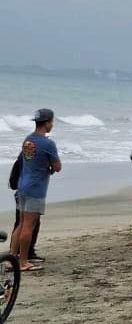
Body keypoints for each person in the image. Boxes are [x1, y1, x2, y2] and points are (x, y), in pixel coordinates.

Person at [11, 109, 62, 271]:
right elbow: (57, 167)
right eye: (51, 121)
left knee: (20, 224)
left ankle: (11, 259)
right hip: (36, 188)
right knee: (29, 226)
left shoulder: (28, 139)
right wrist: (49, 167)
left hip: (22, 185)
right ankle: (23, 262)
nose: (52, 124)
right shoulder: (48, 143)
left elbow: (29, 161)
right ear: (47, 123)